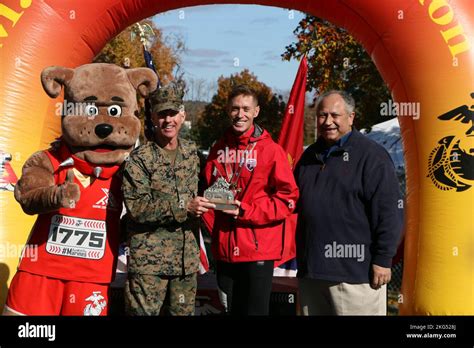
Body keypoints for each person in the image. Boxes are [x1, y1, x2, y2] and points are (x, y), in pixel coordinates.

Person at [294, 90, 403, 315]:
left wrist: (383, 259)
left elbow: (389, 212)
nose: (328, 121)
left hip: (356, 277)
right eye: (322, 116)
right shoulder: (308, 157)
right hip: (312, 275)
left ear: (351, 117)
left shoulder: (372, 157)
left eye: (335, 115)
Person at [200, 84, 299, 315]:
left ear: (256, 112)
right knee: (228, 310)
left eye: (246, 108)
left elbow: (288, 199)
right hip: (225, 250)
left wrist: (246, 210)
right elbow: (208, 188)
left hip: (257, 251)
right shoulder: (218, 148)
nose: (240, 114)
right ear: (228, 111)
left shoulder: (272, 151)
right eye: (235, 109)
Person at [122, 82, 214, 315]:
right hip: (149, 265)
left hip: (185, 261)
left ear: (182, 116)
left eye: (173, 113)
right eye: (162, 114)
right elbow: (137, 207)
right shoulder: (140, 158)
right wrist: (185, 207)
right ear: (153, 118)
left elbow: (208, 189)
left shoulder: (192, 153)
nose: (168, 120)